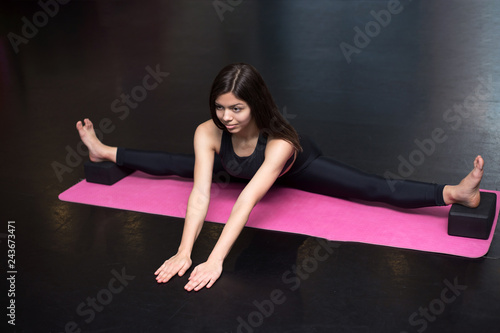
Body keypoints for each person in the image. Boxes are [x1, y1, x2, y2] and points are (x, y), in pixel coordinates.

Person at [76, 63, 484, 292]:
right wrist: (185, 252)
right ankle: (105, 150)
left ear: (255, 105)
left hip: (296, 168)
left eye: (236, 108)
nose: (226, 117)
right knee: (177, 163)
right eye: (220, 108)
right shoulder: (208, 132)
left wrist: (215, 259)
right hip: (239, 168)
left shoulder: (281, 143)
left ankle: (454, 193)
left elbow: (246, 202)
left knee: (369, 187)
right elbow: (200, 195)